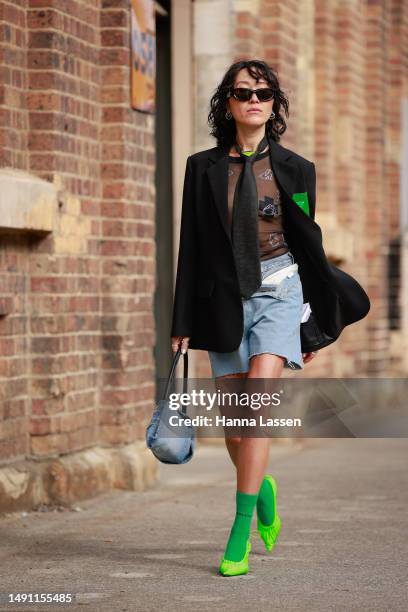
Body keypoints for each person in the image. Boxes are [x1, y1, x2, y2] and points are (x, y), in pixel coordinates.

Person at [170, 59, 370, 576]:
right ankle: (262, 490)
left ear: (274, 103)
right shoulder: (201, 168)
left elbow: (308, 246)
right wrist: (181, 321)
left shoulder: (297, 168)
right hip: (221, 302)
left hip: (281, 292)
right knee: (234, 427)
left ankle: (238, 531)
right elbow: (190, 248)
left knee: (255, 414)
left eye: (263, 92)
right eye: (242, 92)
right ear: (228, 103)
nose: (253, 99)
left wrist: (310, 325)